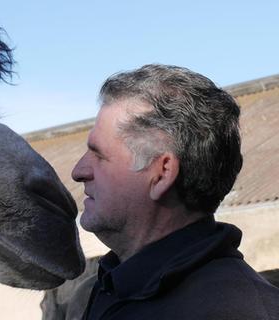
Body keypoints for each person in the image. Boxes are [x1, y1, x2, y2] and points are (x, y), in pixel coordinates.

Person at [42, 64, 279, 320]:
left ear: (162, 173)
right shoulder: (109, 286)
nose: (78, 171)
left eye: (99, 155)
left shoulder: (240, 312)